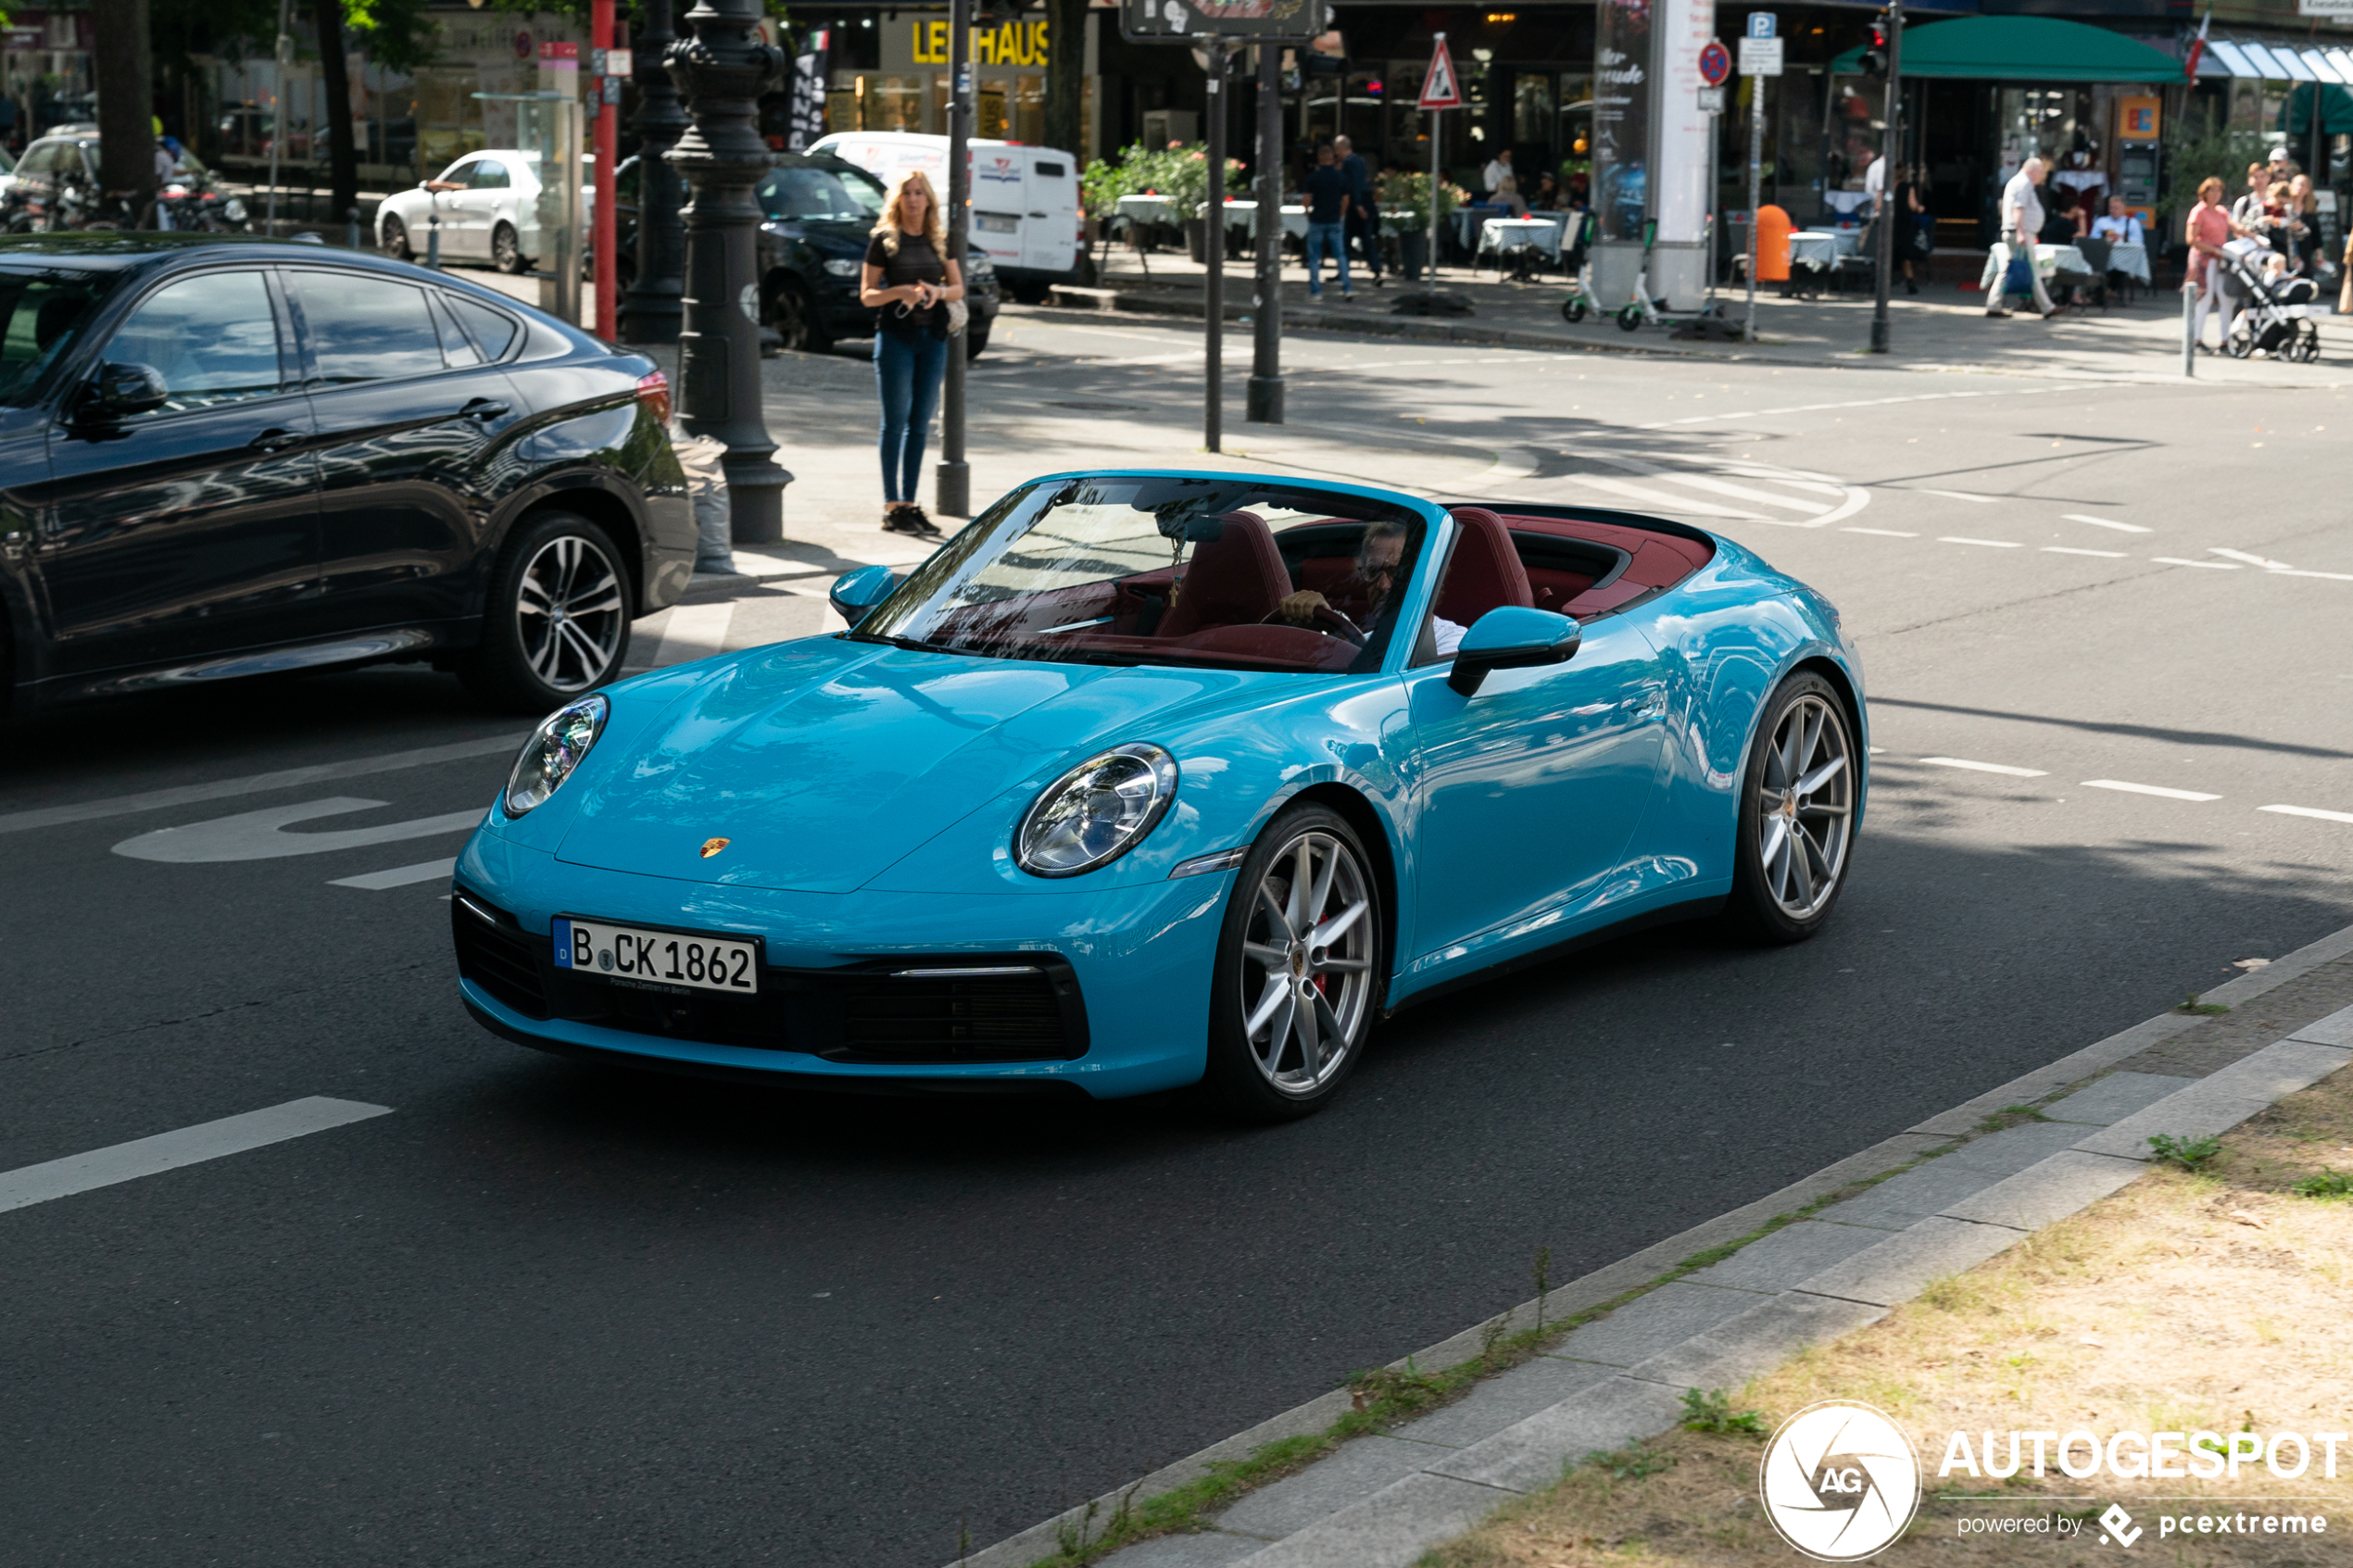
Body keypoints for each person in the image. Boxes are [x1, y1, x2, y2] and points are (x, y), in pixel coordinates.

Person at [859, 168, 963, 538]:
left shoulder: (939, 239)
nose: (914, 199)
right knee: (895, 421)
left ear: (929, 200)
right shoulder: (883, 240)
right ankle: (891, 505)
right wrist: (899, 291)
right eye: (907, 193)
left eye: (920, 193)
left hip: (932, 339)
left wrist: (937, 293)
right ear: (897, 200)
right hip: (896, 338)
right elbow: (867, 294)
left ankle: (909, 502)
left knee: (920, 424)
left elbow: (957, 288)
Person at [1273, 520, 1461, 653]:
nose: (1383, 584)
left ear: (1430, 577)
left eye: (1398, 572)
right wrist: (1327, 622)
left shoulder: (1453, 644)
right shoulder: (1369, 639)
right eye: (1372, 571)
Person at [1988, 155, 2057, 320]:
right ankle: (2047, 307)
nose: (2042, 176)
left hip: (2017, 231)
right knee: (2032, 270)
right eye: (2041, 172)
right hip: (2020, 232)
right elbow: (2018, 209)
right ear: (2032, 170)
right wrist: (2021, 232)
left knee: (2007, 269)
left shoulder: (2019, 182)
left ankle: (1994, 304)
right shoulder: (2023, 182)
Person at [2183, 174, 2242, 353]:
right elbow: (2191, 239)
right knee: (2204, 298)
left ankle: (2224, 341)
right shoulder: (2198, 211)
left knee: (2226, 298)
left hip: (2221, 260)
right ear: (2205, 192)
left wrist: (2253, 239)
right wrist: (2214, 250)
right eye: (2213, 190)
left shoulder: (2222, 211)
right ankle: (2196, 340)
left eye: (2219, 190)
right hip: (2203, 259)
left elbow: (2236, 229)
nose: (2217, 194)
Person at [1302, 143, 1353, 301]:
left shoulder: (1312, 177)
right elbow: (1346, 199)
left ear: (1319, 159)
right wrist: (1341, 214)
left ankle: (1316, 292)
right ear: (1333, 158)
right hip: (1334, 220)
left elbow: (1306, 200)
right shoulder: (1341, 177)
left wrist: (1308, 213)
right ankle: (1347, 289)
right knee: (1340, 255)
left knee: (1314, 257)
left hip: (1317, 219)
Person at [1334, 134, 1383, 289]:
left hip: (1356, 205)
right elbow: (1365, 181)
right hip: (1366, 201)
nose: (1336, 152)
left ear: (1341, 148)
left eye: (1337, 149)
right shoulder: (1361, 160)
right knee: (1366, 239)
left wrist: (1357, 205)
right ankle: (1376, 270)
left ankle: (1343, 271)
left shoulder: (1348, 163)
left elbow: (1353, 184)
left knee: (1346, 240)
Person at [1891, 162, 1931, 295]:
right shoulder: (1907, 187)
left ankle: (1880, 281)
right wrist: (1921, 208)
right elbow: (1913, 206)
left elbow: (1878, 205)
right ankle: (1910, 282)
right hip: (1903, 226)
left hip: (1889, 225)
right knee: (1905, 257)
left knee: (1887, 253)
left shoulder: (1886, 186)